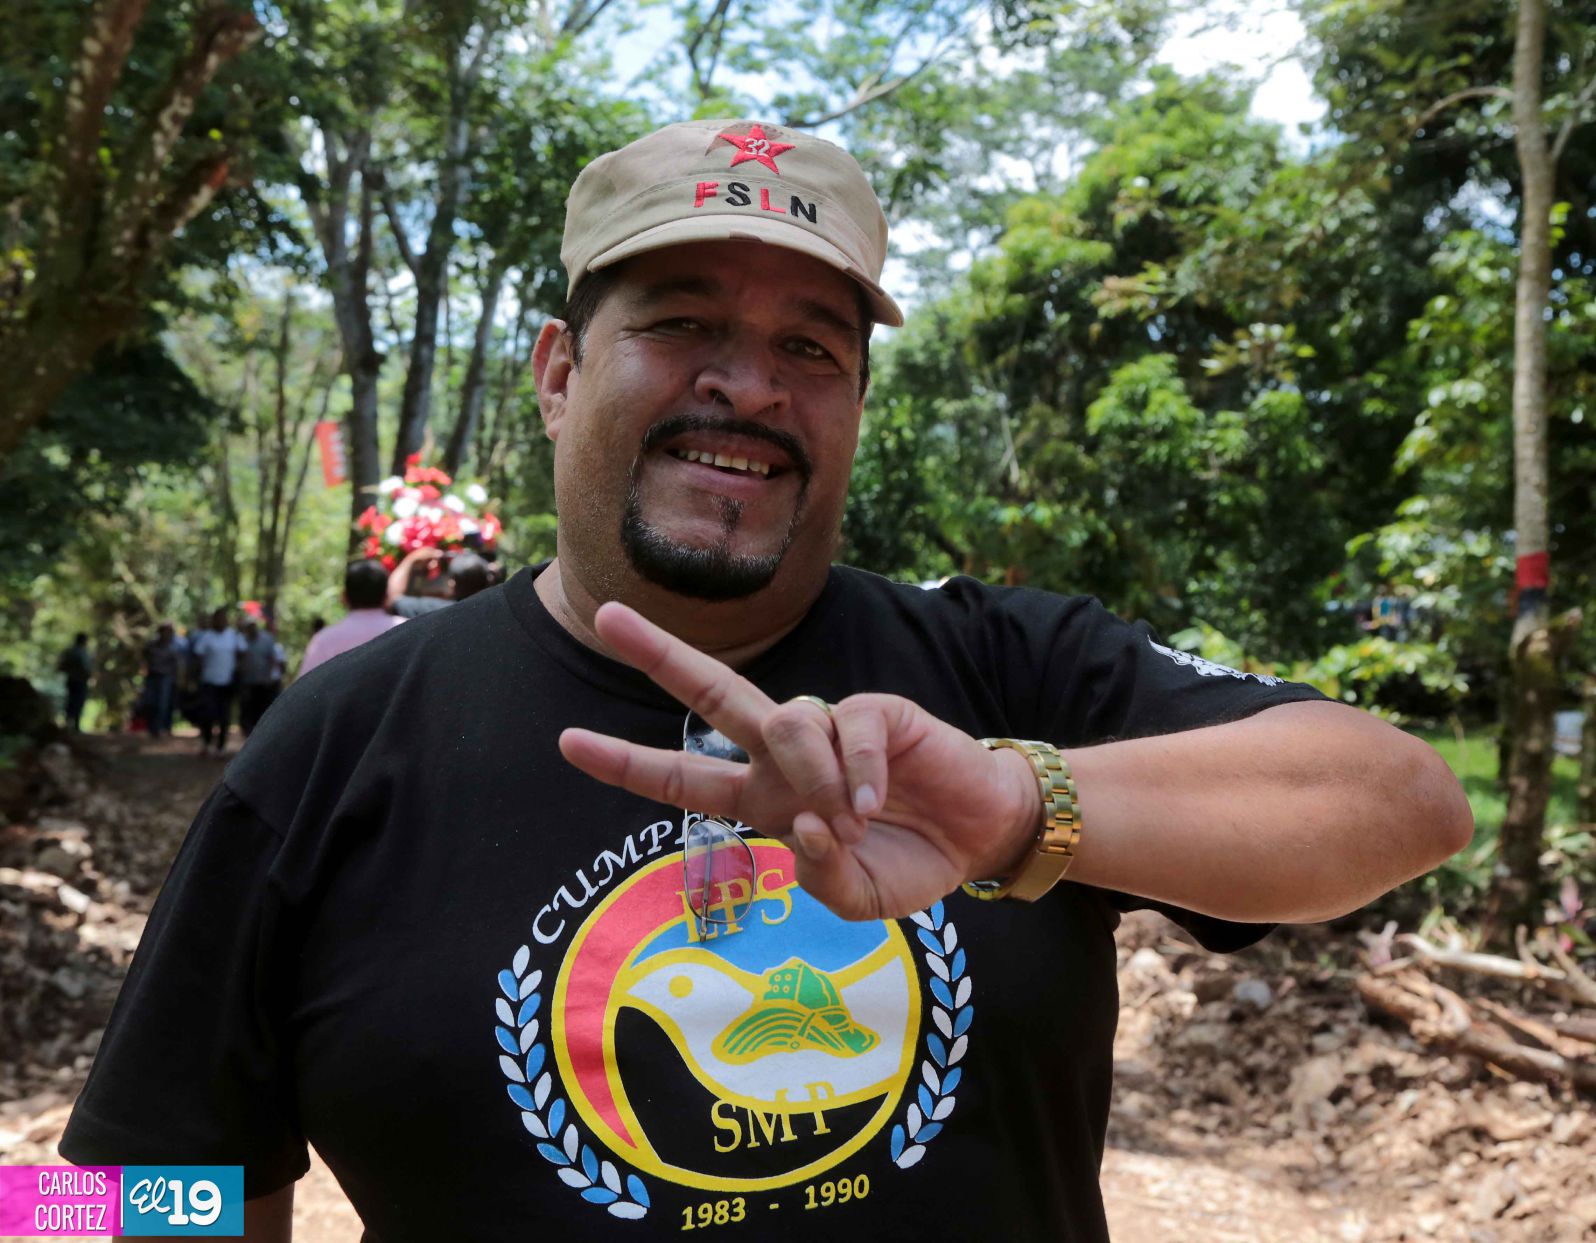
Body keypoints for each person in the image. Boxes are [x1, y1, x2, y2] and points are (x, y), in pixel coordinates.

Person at [61, 120, 1473, 1242]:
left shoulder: (1000, 665)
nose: (749, 384)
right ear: (557, 373)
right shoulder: (340, 736)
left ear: (854, 404)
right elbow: (130, 1183)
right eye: (682, 323)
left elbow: (1406, 797)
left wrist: (1012, 807)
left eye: (811, 345)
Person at [299, 559, 405, 677]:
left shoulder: (324, 640)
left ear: (344, 597)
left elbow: (305, 684)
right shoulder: (406, 630)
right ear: (387, 596)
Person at [189, 607, 244, 755]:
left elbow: (243, 653)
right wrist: (194, 676)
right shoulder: (206, 637)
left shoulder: (233, 636)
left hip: (227, 682)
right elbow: (197, 656)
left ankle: (221, 746)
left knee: (224, 715)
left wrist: (238, 671)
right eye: (218, 618)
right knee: (208, 713)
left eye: (223, 618)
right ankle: (206, 742)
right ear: (213, 620)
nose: (221, 621)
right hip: (209, 681)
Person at [384, 546, 492, 617]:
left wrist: (412, 558)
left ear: (452, 584)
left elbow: (393, 600)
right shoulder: (492, 610)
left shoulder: (442, 611)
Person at [238, 616, 287, 738]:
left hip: (263, 682)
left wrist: (270, 677)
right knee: (249, 710)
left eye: (252, 626)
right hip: (248, 682)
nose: (251, 629)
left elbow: (272, 659)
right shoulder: (242, 640)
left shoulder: (266, 639)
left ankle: (261, 734)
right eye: (248, 627)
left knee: (262, 709)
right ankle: (249, 734)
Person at [141, 622, 180, 738]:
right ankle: (152, 728)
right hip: (152, 676)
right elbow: (144, 657)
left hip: (166, 677)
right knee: (150, 702)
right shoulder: (152, 645)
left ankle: (163, 727)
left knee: (163, 704)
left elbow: (176, 664)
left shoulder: (173, 646)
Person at [56, 633, 93, 731]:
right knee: (77, 702)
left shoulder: (71, 651)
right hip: (79, 681)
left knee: (72, 701)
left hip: (72, 680)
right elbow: (86, 668)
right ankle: (74, 724)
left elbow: (61, 666)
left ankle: (69, 723)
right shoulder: (82, 652)